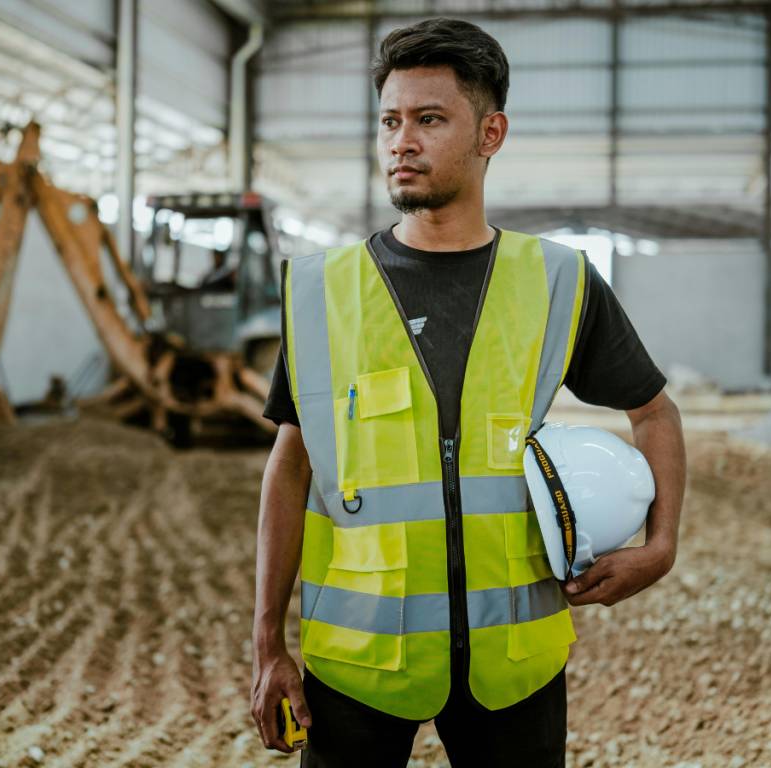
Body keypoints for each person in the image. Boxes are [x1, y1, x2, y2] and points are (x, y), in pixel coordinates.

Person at [250, 17, 686, 768]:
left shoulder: (557, 281)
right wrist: (266, 646)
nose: (401, 142)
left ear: (491, 134)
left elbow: (654, 412)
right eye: (390, 121)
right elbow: (290, 465)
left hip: (512, 663)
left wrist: (663, 546)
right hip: (358, 663)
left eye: (428, 120)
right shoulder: (322, 291)